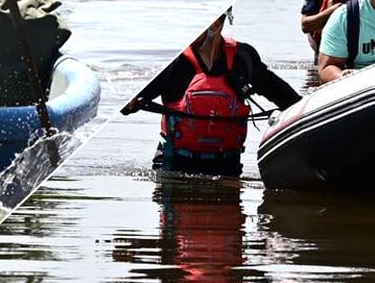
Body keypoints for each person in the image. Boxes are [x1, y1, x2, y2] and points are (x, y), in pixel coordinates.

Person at [122, 12, 301, 177]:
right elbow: (126, 107)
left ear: (217, 23)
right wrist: (130, 102)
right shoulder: (174, 60)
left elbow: (289, 100)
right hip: (174, 166)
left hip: (227, 167)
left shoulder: (243, 57)